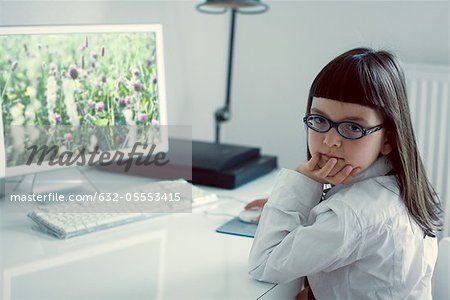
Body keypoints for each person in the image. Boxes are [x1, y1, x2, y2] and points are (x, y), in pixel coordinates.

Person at [247, 47, 443, 299]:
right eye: (319, 121)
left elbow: (263, 264)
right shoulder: (396, 188)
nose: (330, 140)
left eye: (352, 127)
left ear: (388, 139)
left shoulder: (352, 215)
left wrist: (301, 177)